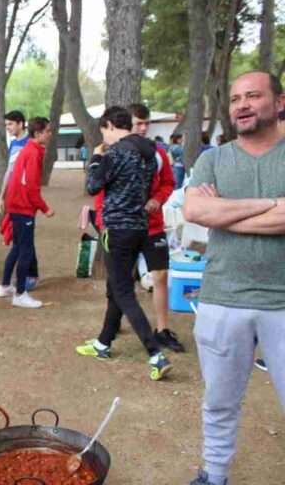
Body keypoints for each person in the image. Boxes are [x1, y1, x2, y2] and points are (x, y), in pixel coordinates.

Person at [183, 71, 285, 485]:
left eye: (253, 96)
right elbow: (196, 212)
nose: (241, 104)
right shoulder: (214, 159)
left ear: (279, 102)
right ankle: (215, 473)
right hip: (222, 298)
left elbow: (215, 214)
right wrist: (274, 205)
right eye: (235, 98)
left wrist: (227, 210)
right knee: (219, 401)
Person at [75, 106, 172, 381]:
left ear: (109, 125)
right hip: (141, 226)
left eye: (104, 130)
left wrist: (95, 158)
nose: (104, 136)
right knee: (119, 287)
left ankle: (155, 354)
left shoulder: (116, 152)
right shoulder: (150, 153)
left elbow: (93, 185)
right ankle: (103, 343)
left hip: (117, 229)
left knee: (123, 292)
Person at [93, 104, 184, 352]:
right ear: (126, 125)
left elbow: (168, 183)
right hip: (122, 227)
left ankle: (162, 331)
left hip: (152, 225)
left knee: (160, 275)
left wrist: (157, 200)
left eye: (147, 124)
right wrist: (102, 222)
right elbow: (100, 190)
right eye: (138, 124)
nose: (143, 128)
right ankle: (108, 333)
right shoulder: (112, 151)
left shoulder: (157, 152)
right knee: (120, 284)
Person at [0, 117, 54, 308]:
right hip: (22, 208)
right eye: (47, 131)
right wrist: (44, 208)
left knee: (18, 247)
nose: (50, 134)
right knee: (26, 250)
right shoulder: (32, 152)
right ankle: (20, 294)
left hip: (18, 205)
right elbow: (31, 186)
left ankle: (5, 285)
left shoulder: (31, 149)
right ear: (37, 133)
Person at [0, 110, 31, 207]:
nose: (7, 128)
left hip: (25, 195)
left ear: (20, 124)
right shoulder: (13, 143)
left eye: (10, 124)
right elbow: (9, 170)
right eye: (6, 125)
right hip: (13, 193)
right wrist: (2, 196)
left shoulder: (31, 143)